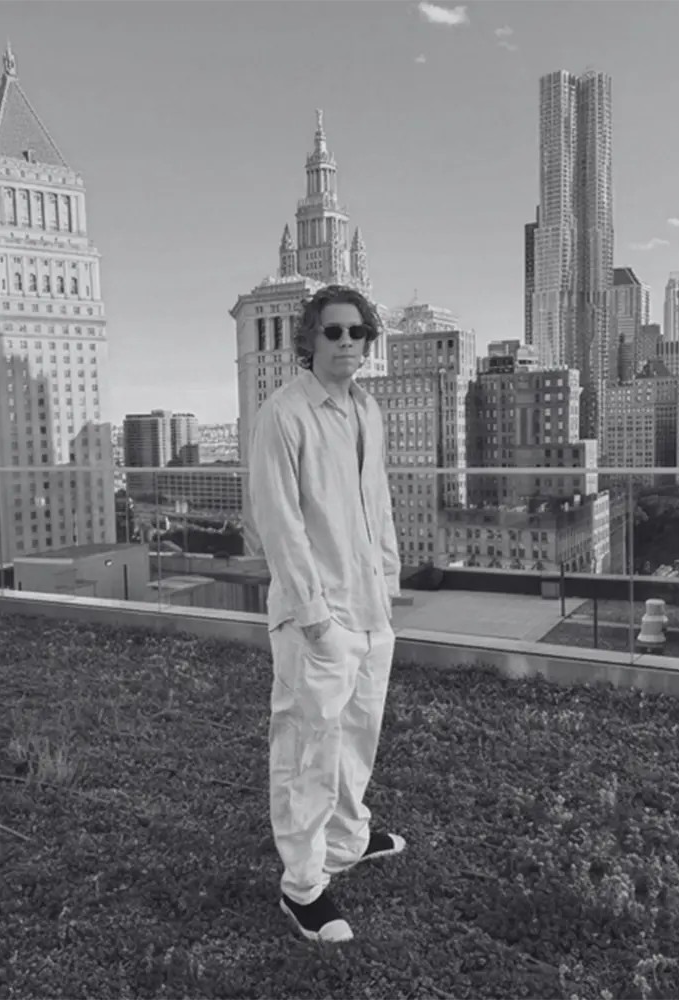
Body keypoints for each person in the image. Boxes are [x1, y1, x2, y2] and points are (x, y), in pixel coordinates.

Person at [248, 284, 405, 944]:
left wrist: (389, 583)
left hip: (370, 610)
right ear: (308, 338)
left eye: (359, 332)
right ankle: (303, 885)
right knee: (309, 748)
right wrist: (314, 618)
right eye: (335, 331)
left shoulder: (367, 409)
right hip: (319, 616)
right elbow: (278, 522)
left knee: (357, 737)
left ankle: (346, 838)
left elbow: (380, 506)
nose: (348, 342)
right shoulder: (285, 414)